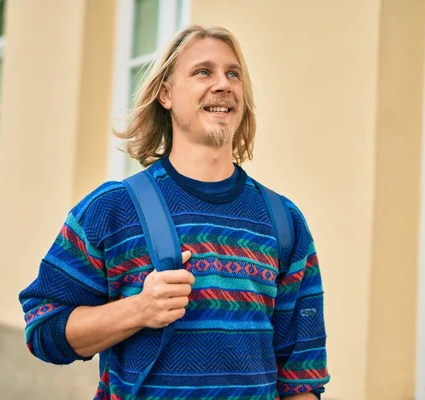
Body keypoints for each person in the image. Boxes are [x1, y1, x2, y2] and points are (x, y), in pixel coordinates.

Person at [19, 25, 330, 399]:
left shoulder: (284, 222)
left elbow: (300, 379)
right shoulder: (111, 210)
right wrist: (139, 310)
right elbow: (43, 330)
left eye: (234, 74)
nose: (223, 84)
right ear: (166, 93)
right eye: (203, 72)